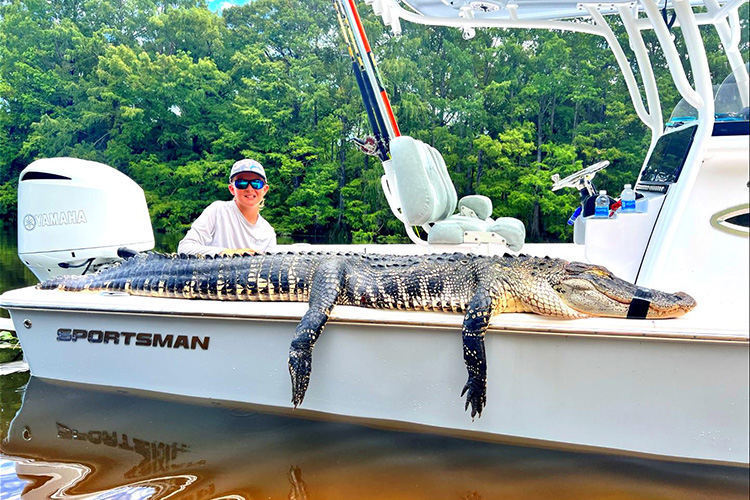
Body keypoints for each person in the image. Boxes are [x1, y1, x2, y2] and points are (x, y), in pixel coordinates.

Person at [177, 159, 276, 256]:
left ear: (265, 189)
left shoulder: (268, 232)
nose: (249, 188)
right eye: (241, 183)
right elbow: (184, 248)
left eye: (256, 183)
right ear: (232, 189)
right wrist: (226, 253)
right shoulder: (217, 210)